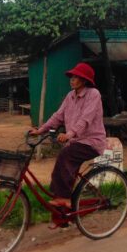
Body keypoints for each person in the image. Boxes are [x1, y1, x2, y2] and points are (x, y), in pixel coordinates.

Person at [29, 62, 106, 209]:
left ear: (84, 80)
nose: (72, 79)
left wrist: (69, 134)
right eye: (71, 76)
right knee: (63, 172)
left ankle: (64, 198)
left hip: (91, 142)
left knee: (64, 155)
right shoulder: (70, 96)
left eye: (76, 77)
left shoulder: (93, 94)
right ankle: (63, 218)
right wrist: (41, 130)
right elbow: (58, 116)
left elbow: (85, 119)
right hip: (75, 142)